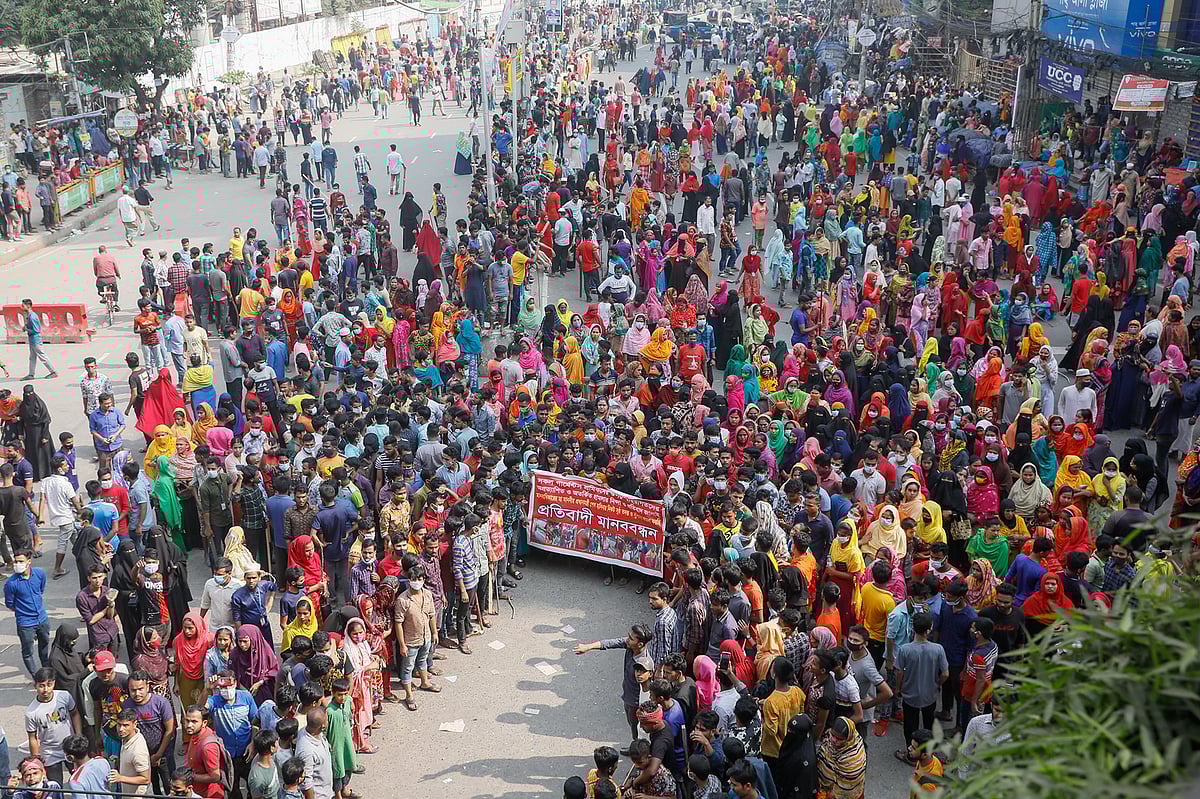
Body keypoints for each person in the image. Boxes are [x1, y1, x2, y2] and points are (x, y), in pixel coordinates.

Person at [893, 611, 948, 762]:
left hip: (910, 695)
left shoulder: (905, 649)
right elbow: (945, 674)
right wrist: (937, 684)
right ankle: (928, 754)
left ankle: (911, 755)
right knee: (929, 725)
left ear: (913, 628)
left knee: (910, 726)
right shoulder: (938, 649)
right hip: (930, 695)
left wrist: (898, 689)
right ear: (929, 629)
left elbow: (899, 672)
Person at [5, 550, 50, 677]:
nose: (17, 564)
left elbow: (41, 589)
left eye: (21, 561)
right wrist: (23, 611)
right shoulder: (11, 583)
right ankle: (36, 677)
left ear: (29, 562)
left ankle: (47, 671)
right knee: (28, 651)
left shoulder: (39, 573)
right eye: (16, 561)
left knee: (44, 646)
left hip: (42, 619)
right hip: (25, 623)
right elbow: (10, 604)